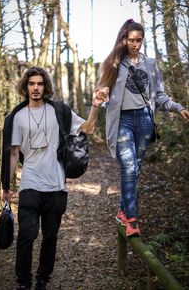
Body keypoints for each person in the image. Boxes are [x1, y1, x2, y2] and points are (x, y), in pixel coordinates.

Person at [81, 19, 189, 237]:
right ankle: (131, 219)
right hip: (122, 121)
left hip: (144, 121)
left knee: (135, 169)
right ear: (124, 40)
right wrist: (100, 97)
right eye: (131, 40)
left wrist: (178, 108)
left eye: (139, 40)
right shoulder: (113, 64)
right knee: (129, 167)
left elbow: (159, 97)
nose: (135, 44)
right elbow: (102, 96)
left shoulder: (150, 65)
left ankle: (122, 210)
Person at [1, 66, 87, 290]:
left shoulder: (59, 110)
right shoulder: (17, 117)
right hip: (29, 183)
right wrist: (6, 186)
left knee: (50, 237)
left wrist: (96, 105)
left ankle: (42, 280)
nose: (35, 88)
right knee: (27, 235)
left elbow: (87, 127)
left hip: (56, 185)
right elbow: (12, 153)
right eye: (31, 84)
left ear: (45, 86)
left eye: (39, 83)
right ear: (25, 87)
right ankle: (23, 282)